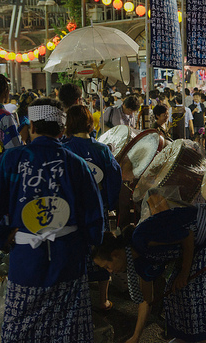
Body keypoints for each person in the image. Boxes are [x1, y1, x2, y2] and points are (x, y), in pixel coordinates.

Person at [0, 98, 105, 342]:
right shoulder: (77, 165)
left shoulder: (12, 160)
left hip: (26, 260)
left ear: (32, 127)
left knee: (21, 331)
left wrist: (0, 237)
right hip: (68, 260)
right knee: (69, 332)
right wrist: (87, 244)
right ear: (61, 130)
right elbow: (94, 220)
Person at [93, 200, 206, 342]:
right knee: (174, 294)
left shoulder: (142, 237)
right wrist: (135, 337)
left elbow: (187, 236)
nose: (110, 271)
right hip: (196, 245)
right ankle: (188, 337)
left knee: (194, 295)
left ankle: (202, 337)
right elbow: (146, 301)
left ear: (115, 255)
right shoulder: (139, 261)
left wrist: (184, 273)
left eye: (107, 266)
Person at [63, 104, 122, 312]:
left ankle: (78, 300)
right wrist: (109, 202)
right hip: (98, 209)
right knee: (101, 249)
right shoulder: (102, 150)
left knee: (76, 252)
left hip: (71, 212)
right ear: (90, 124)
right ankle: (103, 299)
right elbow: (115, 179)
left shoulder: (64, 148)